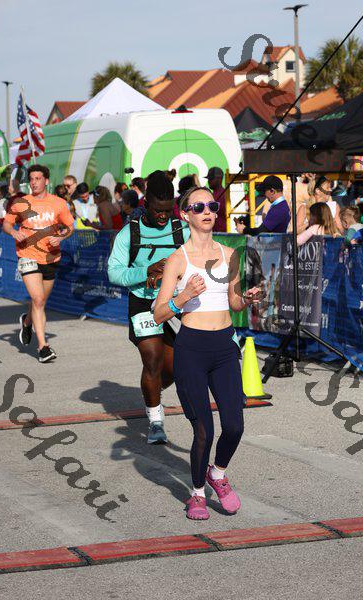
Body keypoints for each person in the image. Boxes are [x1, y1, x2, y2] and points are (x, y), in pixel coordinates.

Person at [153, 186, 260, 520]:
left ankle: (218, 473)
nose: (207, 212)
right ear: (184, 214)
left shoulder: (229, 254)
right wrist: (183, 297)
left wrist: (247, 299)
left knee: (235, 426)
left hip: (224, 348)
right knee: (204, 430)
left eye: (211, 205)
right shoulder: (177, 259)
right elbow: (158, 314)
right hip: (192, 349)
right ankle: (197, 494)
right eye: (198, 207)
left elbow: (234, 302)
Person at [108, 171, 190, 444]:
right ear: (146, 204)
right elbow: (114, 273)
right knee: (152, 358)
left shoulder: (183, 230)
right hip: (143, 301)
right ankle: (155, 421)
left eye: (168, 210)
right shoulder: (129, 233)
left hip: (175, 302)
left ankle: (152, 388)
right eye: (158, 210)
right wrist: (146, 271)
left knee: (174, 369)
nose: (164, 216)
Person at [2, 164, 74, 362]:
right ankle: (43, 347)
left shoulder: (58, 203)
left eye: (38, 179)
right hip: (27, 255)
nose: (34, 182)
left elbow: (70, 227)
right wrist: (14, 232)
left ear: (46, 181)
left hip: (51, 257)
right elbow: (7, 223)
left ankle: (27, 322)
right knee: (38, 299)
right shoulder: (20, 202)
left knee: (39, 301)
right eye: (31, 179)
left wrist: (60, 237)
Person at [206, 166, 226, 232]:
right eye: (208, 179)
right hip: (213, 233)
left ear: (219, 179)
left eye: (211, 179)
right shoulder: (211, 195)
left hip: (223, 233)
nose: (209, 181)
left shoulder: (225, 195)